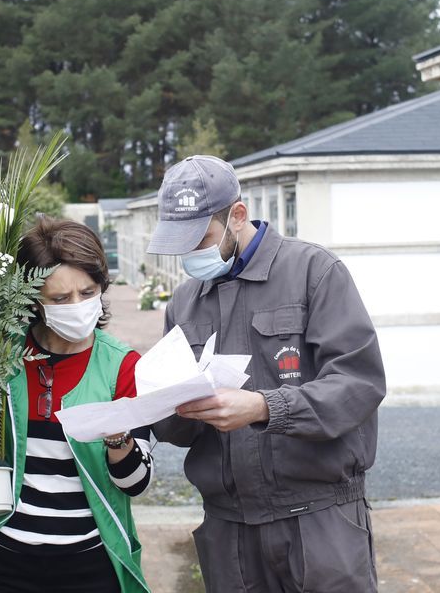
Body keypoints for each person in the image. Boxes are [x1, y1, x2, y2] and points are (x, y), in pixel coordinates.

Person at [147, 155, 385, 593]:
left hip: (319, 519)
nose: (191, 254)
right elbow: (177, 430)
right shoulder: (184, 303)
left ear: (238, 215)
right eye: (181, 242)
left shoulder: (314, 273)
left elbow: (358, 383)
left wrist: (263, 407)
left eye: (202, 238)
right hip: (229, 529)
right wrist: (160, 411)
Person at [0, 217, 153, 593]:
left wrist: (118, 439)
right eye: (61, 299)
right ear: (34, 299)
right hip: (0, 558)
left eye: (88, 292)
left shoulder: (123, 366)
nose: (79, 306)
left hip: (89, 562)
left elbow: (137, 484)